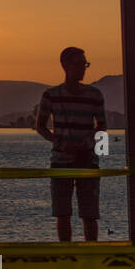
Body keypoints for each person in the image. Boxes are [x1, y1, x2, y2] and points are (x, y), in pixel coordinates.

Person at [35, 47, 107, 242]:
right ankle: (68, 257)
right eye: (79, 64)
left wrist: (88, 141)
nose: (84, 69)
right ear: (65, 66)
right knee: (62, 213)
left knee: (90, 214)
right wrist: (60, 143)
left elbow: (102, 126)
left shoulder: (95, 95)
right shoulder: (50, 95)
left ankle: (90, 258)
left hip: (87, 160)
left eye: (85, 64)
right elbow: (40, 126)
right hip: (61, 160)